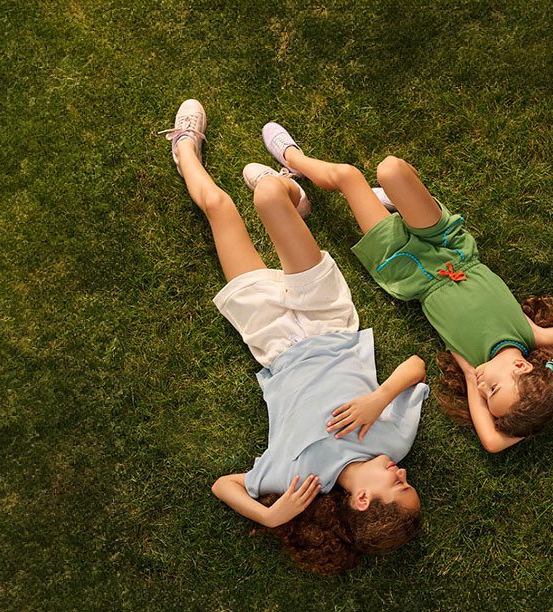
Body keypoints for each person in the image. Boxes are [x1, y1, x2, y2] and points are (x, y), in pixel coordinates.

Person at [157, 100, 426, 574]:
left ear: (363, 499)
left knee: (220, 206)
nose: (403, 472)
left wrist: (268, 512)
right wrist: (378, 399)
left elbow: (225, 484)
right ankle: (290, 193)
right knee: (265, 196)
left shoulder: (296, 480)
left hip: (272, 339)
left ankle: (184, 150)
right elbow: (417, 367)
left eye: (399, 484)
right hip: (329, 322)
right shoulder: (395, 442)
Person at [256, 121, 553, 452]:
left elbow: (492, 442)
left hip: (409, 268)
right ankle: (388, 199)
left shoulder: (470, 362)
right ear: (522, 367)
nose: (480, 388)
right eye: (493, 388)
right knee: (391, 168)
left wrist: (527, 415)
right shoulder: (532, 334)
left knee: (349, 177)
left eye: (485, 398)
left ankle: (293, 162)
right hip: (449, 246)